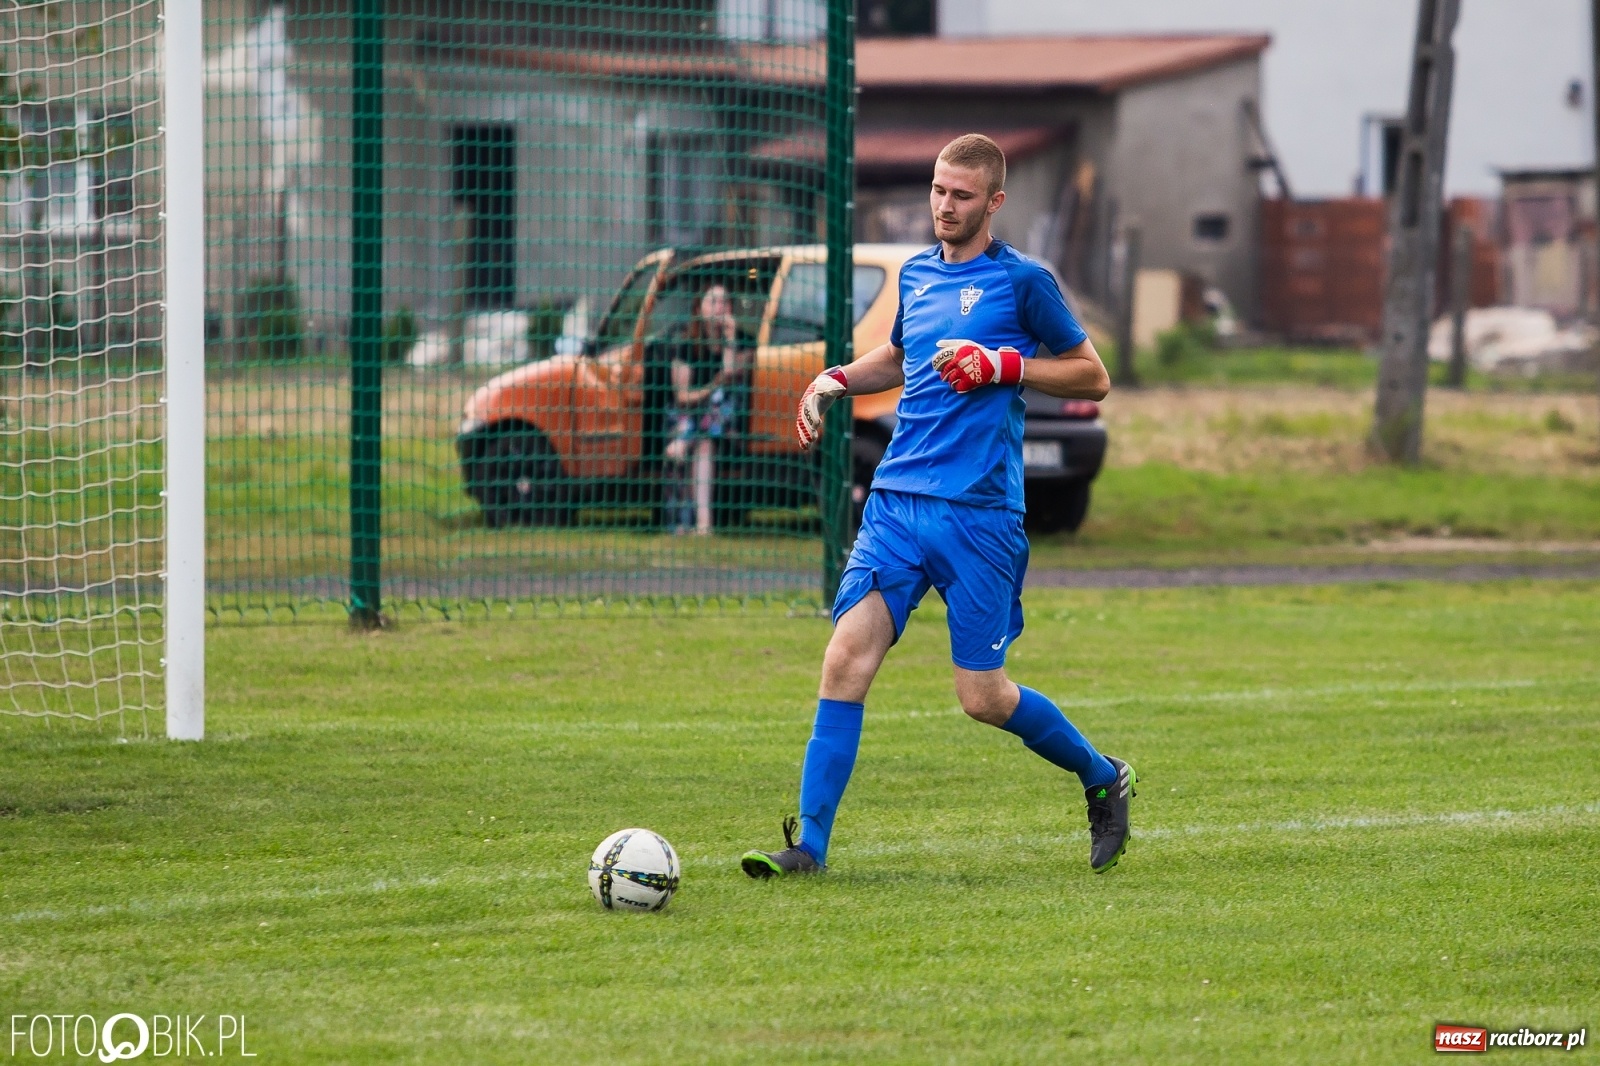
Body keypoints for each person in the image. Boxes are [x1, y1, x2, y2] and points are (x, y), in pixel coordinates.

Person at [741, 134, 1136, 878]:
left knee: (982, 698)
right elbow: (898, 357)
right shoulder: (917, 275)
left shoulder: (1025, 282)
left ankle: (1100, 773)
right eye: (936, 190)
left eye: (960, 195)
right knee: (844, 660)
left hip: (979, 513)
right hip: (896, 502)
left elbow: (1093, 376)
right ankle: (810, 850)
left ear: (994, 203)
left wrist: (1004, 364)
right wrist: (832, 379)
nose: (943, 206)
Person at [663, 283, 746, 535]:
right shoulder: (686, 345)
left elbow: (729, 377)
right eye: (713, 301)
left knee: (704, 434)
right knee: (703, 444)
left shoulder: (737, 341)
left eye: (724, 302)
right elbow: (682, 397)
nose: (719, 307)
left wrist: (730, 341)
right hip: (689, 413)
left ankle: (699, 523)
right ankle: (701, 522)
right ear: (700, 308)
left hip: (721, 416)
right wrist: (712, 387)